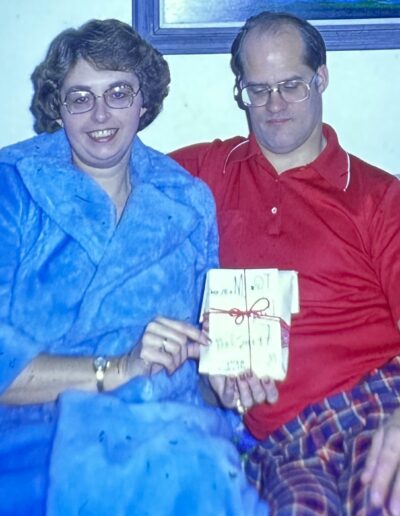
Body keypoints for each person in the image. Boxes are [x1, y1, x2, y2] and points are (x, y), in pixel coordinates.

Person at [0, 19, 267, 515]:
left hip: (166, 433)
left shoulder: (188, 202)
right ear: (58, 108)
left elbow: (195, 368)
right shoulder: (12, 188)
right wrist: (121, 367)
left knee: (194, 475)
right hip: (35, 437)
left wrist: (223, 385)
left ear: (144, 102)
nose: (100, 114)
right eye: (80, 97)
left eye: (119, 92)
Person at [170, 11, 400, 515]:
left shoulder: (378, 196)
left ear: (322, 78)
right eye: (258, 90)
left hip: (377, 407)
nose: (274, 105)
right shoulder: (205, 171)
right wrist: (213, 385)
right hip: (283, 445)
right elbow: (108, 160)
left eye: (291, 85)